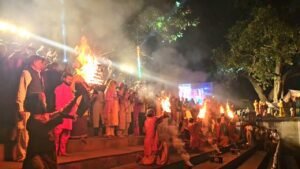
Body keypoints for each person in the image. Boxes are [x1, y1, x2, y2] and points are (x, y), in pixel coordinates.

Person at [22, 93, 82, 169]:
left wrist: (74, 99)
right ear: (37, 104)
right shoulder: (32, 122)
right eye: (43, 101)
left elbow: (61, 112)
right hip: (37, 155)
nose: (45, 103)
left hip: (49, 154)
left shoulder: (45, 116)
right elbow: (43, 128)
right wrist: (56, 120)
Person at [15, 55, 46, 161]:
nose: (42, 64)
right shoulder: (26, 73)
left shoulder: (40, 75)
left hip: (37, 108)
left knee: (34, 132)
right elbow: (21, 90)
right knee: (24, 132)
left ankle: (31, 154)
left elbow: (41, 93)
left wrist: (44, 107)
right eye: (41, 62)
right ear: (34, 62)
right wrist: (20, 108)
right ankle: (22, 155)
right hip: (27, 107)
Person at [53, 73, 75, 156]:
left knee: (66, 134)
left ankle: (62, 151)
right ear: (64, 78)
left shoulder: (71, 89)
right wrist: (60, 112)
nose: (70, 80)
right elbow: (57, 102)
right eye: (68, 79)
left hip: (69, 115)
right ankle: (55, 151)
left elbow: (72, 103)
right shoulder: (59, 88)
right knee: (57, 133)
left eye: (71, 79)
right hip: (61, 114)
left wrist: (73, 114)